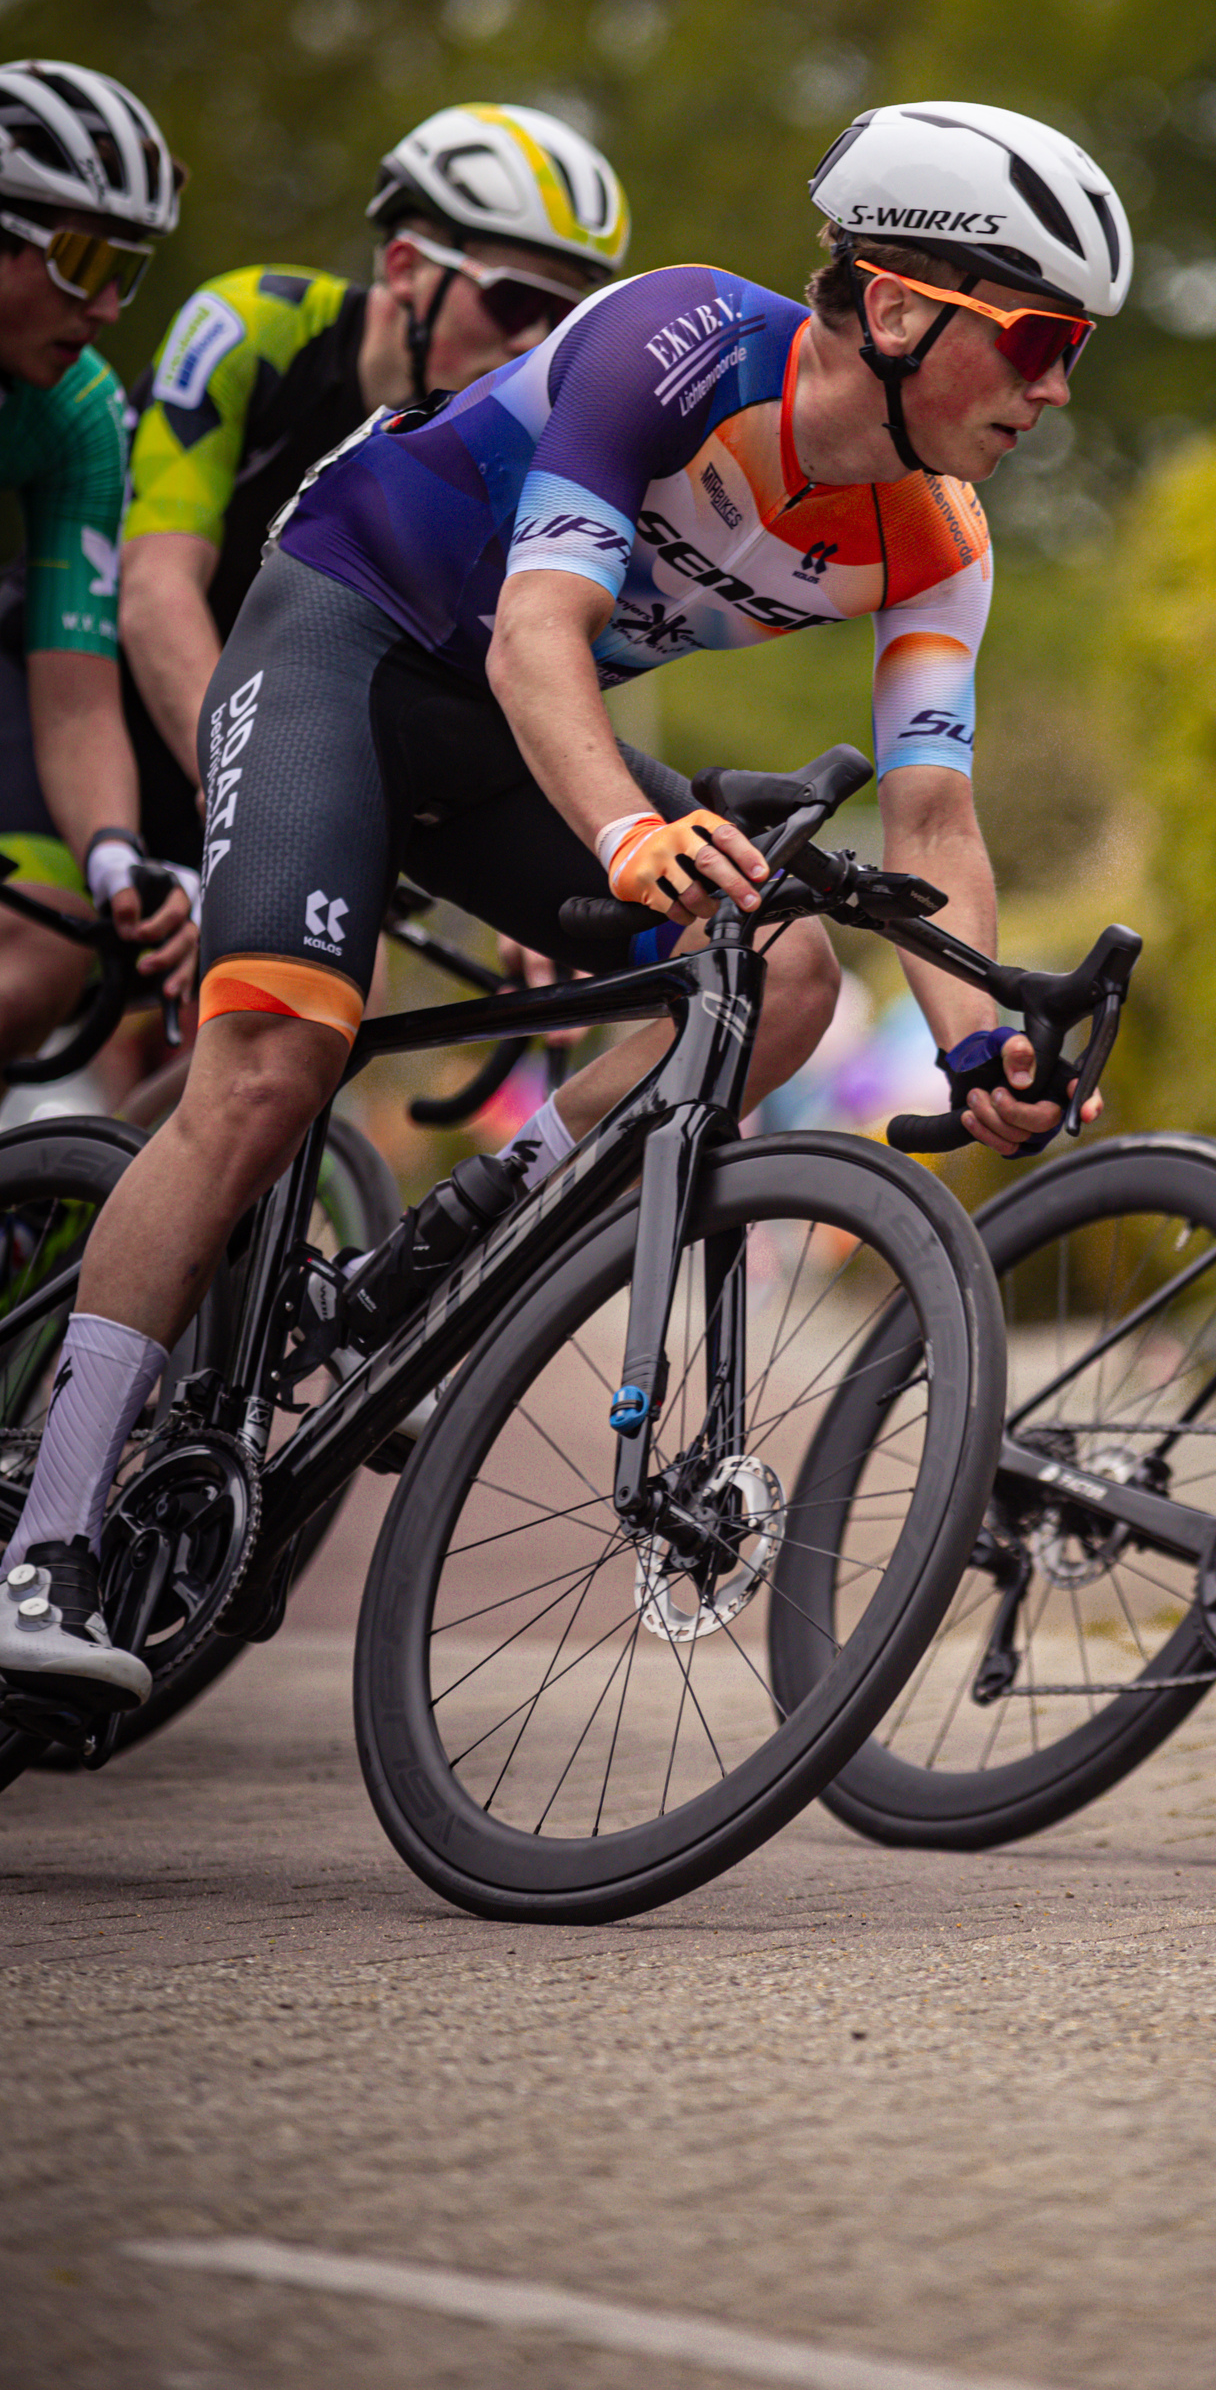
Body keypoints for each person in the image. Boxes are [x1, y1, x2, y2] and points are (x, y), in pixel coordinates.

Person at [0, 99, 1130, 1708]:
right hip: (351, 647)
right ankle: (39, 1540)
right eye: (1032, 338)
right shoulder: (675, 340)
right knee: (270, 1068)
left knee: (789, 976)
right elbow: (541, 637)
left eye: (1072, 346)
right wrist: (621, 833)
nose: (1055, 386)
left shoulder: (942, 539)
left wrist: (979, 1040)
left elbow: (932, 810)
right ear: (895, 306)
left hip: (503, 745)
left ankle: (458, 1239)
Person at [120, 101, 631, 868]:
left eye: (564, 320)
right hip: (107, 696)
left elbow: (515, 674)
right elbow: (156, 588)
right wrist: (245, 782)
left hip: (292, 726)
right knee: (43, 957)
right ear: (404, 268)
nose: (533, 342)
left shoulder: (520, 448)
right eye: (515, 299)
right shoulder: (254, 324)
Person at [0, 61, 197, 1064]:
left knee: (36, 964)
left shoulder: (78, 412)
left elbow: (75, 697)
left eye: (133, 268)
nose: (113, 305)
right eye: (85, 260)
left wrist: (113, 853)